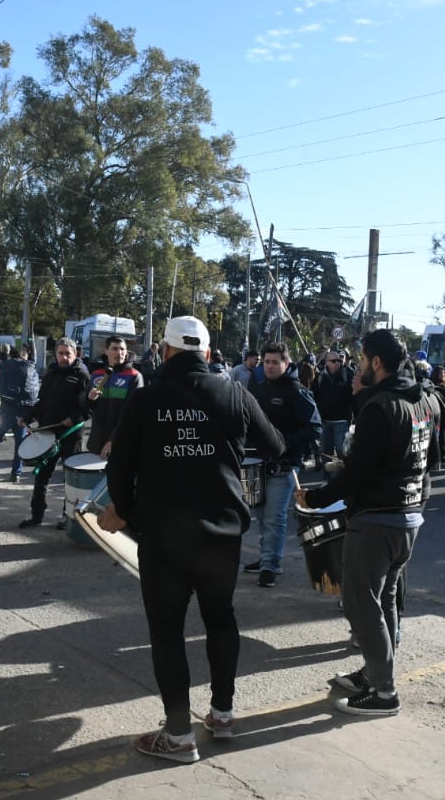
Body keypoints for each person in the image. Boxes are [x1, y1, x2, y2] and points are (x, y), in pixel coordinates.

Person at [97, 316, 284, 762]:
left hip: (164, 533)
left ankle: (179, 735)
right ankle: (222, 713)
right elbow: (275, 446)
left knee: (167, 630)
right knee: (221, 618)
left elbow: (118, 467)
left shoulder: (146, 399)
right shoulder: (234, 391)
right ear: (205, 351)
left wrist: (121, 511)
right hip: (222, 528)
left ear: (165, 351)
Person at [297, 329, 439, 716]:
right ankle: (375, 673)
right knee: (386, 599)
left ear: (376, 362)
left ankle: (384, 693)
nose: (359, 367)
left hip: (377, 520)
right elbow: (432, 463)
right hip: (408, 517)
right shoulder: (428, 401)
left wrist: (314, 497)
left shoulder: (381, 407)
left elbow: (357, 473)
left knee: (362, 604)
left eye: (362, 360)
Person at [245, 342, 322, 587]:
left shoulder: (296, 391)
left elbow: (314, 427)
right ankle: (266, 556)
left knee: (274, 517)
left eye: (274, 362)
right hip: (256, 465)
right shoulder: (255, 389)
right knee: (260, 515)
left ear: (286, 364)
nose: (269, 365)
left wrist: (284, 444)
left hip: (285, 466)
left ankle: (270, 565)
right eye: (266, 361)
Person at [18, 337, 91, 529]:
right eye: (61, 353)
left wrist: (73, 419)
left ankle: (68, 517)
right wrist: (27, 417)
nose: (64, 357)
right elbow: (41, 402)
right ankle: (36, 516)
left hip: (70, 435)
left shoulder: (83, 376)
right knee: (42, 477)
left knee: (70, 481)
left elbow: (89, 408)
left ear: (76, 354)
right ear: (56, 354)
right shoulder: (51, 374)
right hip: (47, 433)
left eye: (68, 353)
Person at [0, 345, 39, 482]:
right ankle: (16, 473)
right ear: (24, 355)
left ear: (11, 355)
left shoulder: (5, 366)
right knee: (20, 443)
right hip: (24, 411)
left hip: (6, 409)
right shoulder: (31, 367)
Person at [87, 335, 144, 459]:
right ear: (106, 351)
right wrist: (88, 397)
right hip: (97, 442)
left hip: (122, 442)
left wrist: (113, 440)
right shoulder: (96, 375)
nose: (119, 352)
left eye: (122, 349)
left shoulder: (135, 376)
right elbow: (85, 405)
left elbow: (132, 414)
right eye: (114, 348)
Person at [314, 350, 353, 473]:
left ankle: (343, 478)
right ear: (326, 362)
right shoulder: (319, 377)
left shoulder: (348, 374)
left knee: (342, 451)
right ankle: (328, 479)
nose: (337, 363)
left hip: (341, 420)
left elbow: (354, 397)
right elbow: (314, 397)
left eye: (339, 361)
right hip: (324, 421)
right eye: (333, 361)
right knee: (326, 452)